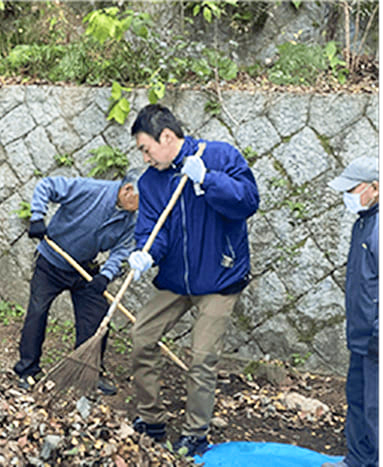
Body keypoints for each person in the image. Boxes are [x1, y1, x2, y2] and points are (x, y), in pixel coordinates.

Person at [127, 104, 259, 455]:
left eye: (146, 148)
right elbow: (154, 232)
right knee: (142, 335)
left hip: (219, 276)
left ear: (166, 137)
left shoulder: (219, 156)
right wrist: (146, 253)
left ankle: (195, 434)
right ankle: (151, 418)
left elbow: (247, 202)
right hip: (177, 280)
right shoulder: (151, 181)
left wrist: (207, 179)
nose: (144, 157)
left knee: (202, 357)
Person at [13, 169, 142, 395]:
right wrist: (37, 216)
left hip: (83, 269)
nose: (146, 207)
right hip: (51, 262)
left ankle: (88, 373)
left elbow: (122, 250)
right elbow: (47, 185)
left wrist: (106, 275)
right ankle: (27, 370)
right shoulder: (90, 189)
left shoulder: (130, 220)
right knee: (37, 311)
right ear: (127, 190)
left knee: (97, 317)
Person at [322, 157, 378, 467]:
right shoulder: (364, 222)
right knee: (357, 400)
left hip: (376, 337)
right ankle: (358, 460)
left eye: (352, 189)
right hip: (361, 334)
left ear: (375, 188)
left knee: (375, 408)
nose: (348, 196)